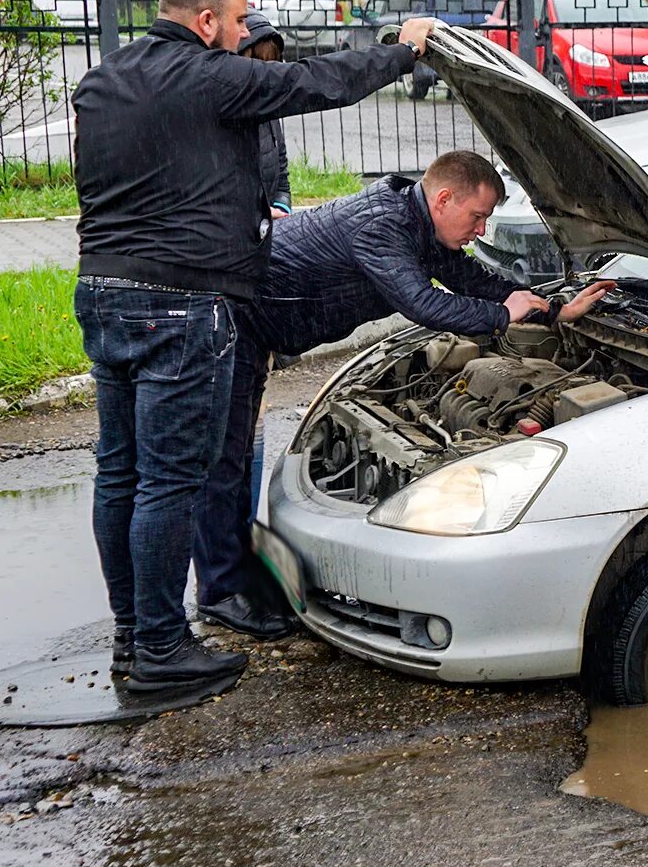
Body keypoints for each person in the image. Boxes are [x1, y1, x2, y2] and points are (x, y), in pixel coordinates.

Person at [72, 0, 437, 694]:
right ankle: (162, 653)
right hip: (183, 302)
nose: (243, 35)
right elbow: (317, 83)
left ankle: (131, 639)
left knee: (121, 472)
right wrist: (405, 49)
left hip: (102, 292)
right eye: (238, 21)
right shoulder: (211, 75)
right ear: (205, 20)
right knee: (171, 481)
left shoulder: (102, 81)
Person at [191, 150, 615, 635]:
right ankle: (221, 593)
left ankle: (235, 573)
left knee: (234, 457)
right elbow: (421, 303)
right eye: (477, 216)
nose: (480, 230)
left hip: (253, 326)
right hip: (231, 320)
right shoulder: (382, 227)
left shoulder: (422, 224)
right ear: (443, 198)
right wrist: (503, 317)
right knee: (224, 460)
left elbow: (475, 280)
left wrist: (554, 310)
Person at [237, 13, 293, 219]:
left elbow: (282, 176)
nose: (265, 74)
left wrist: (281, 208)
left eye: (272, 64)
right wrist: (253, 215)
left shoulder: (268, 112)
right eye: (257, 63)